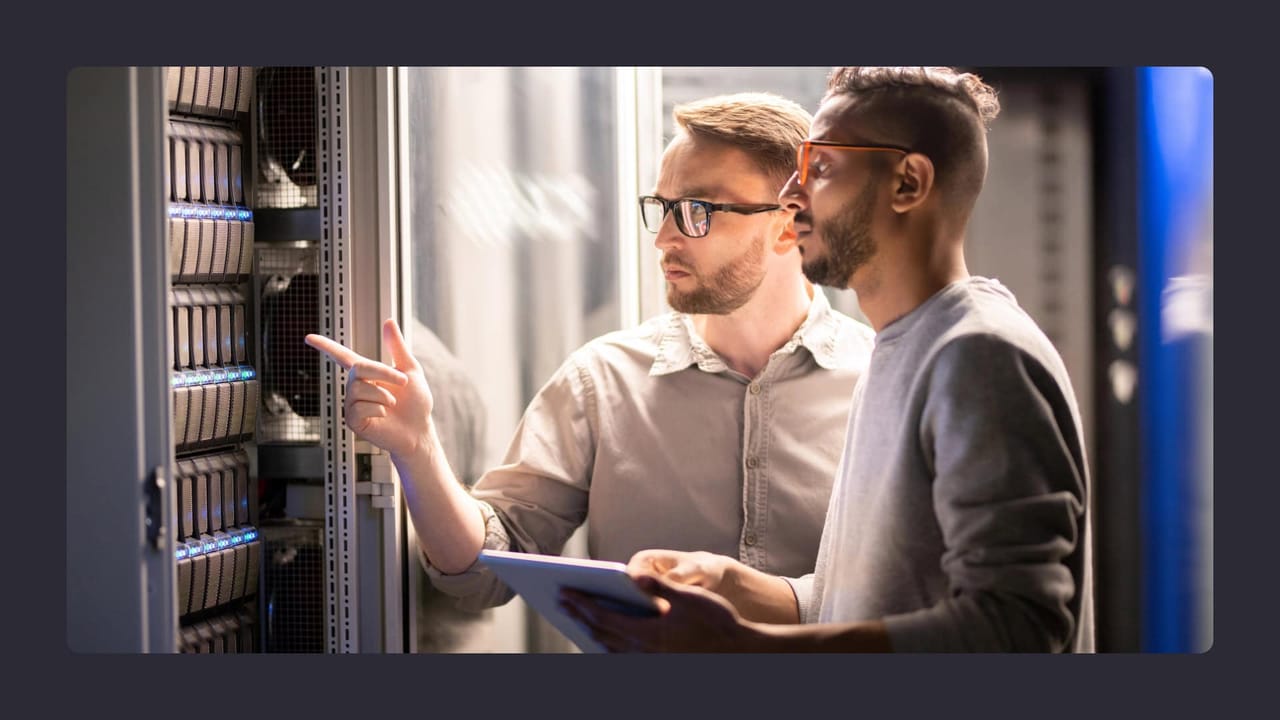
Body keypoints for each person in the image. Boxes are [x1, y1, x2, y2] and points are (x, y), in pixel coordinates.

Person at [562, 66, 1096, 653]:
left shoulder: (980, 358)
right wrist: (735, 584)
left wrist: (749, 647)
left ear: (908, 183)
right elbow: (872, 599)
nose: (791, 197)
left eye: (820, 169)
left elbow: (1018, 626)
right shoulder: (901, 350)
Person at [304, 92, 876, 625]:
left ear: (788, 224)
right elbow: (481, 572)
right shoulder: (601, 380)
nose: (664, 239)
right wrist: (418, 449)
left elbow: (913, 598)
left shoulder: (881, 384)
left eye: (696, 210)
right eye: (662, 207)